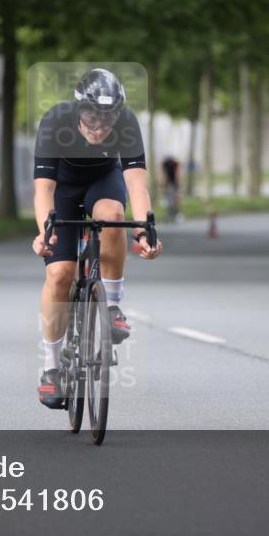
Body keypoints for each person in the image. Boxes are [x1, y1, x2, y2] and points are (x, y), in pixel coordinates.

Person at [31, 68, 163, 409]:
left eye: (108, 119)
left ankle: (113, 304)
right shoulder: (55, 121)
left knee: (114, 217)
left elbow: (136, 184)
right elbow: (43, 189)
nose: (99, 127)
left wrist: (144, 230)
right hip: (62, 188)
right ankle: (51, 369)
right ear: (77, 111)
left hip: (103, 181)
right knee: (59, 274)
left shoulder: (128, 123)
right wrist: (45, 230)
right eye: (91, 117)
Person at [161, 155, 181, 220]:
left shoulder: (175, 164)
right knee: (169, 196)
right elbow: (163, 173)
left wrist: (177, 184)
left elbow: (177, 173)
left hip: (174, 182)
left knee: (176, 197)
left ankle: (176, 212)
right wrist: (164, 183)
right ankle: (170, 212)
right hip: (168, 182)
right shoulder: (165, 164)